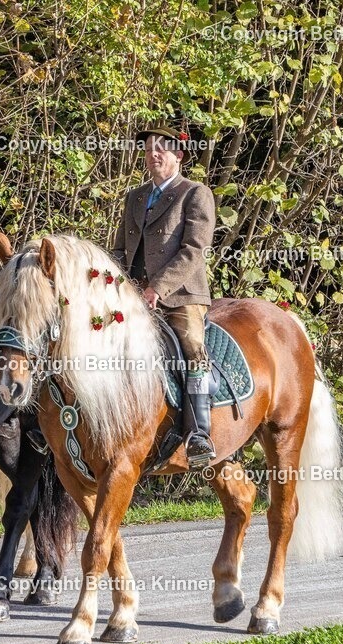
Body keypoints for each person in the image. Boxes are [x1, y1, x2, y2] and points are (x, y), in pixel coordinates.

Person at [112, 126, 218, 462]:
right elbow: (119, 251)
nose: (153, 155)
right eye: (148, 150)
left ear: (179, 156)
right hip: (133, 297)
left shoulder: (195, 193)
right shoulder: (135, 197)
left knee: (192, 348)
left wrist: (158, 287)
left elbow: (194, 250)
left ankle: (199, 434)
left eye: (161, 149)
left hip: (181, 296)